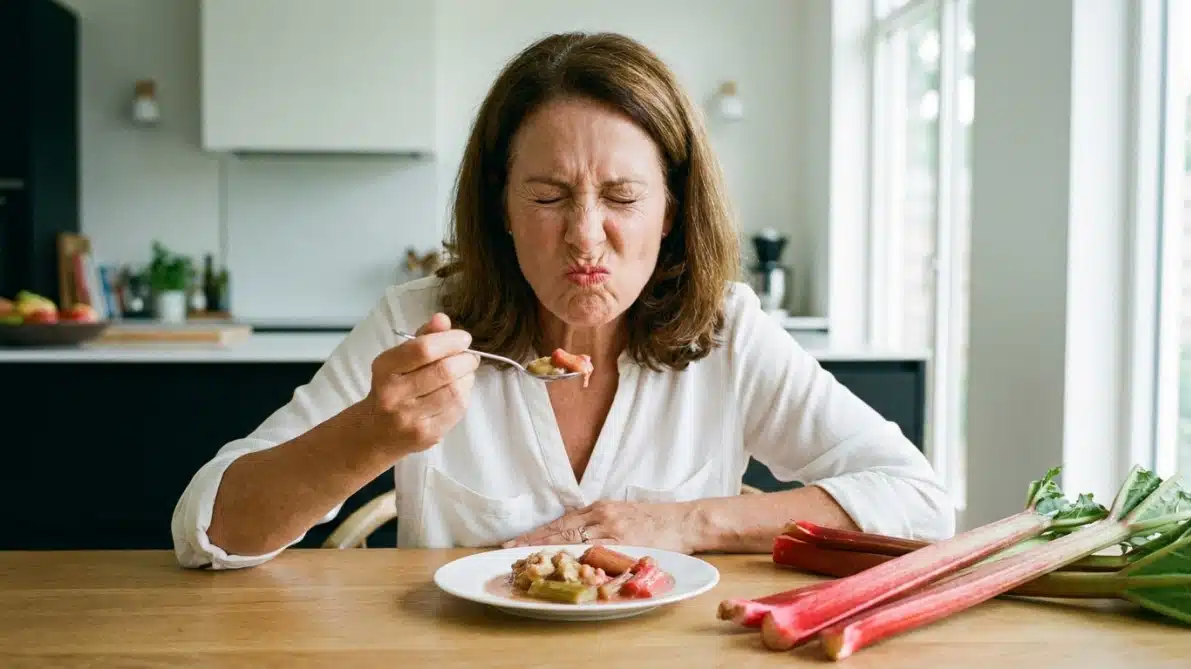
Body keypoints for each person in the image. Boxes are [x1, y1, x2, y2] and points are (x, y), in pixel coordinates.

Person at [172, 31, 954, 570]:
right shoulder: (420, 323)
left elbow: (918, 502)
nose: (586, 237)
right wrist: (367, 437)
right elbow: (206, 531)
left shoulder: (728, 334)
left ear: (672, 212)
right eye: (548, 196)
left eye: (621, 196)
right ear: (502, 206)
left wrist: (685, 522)